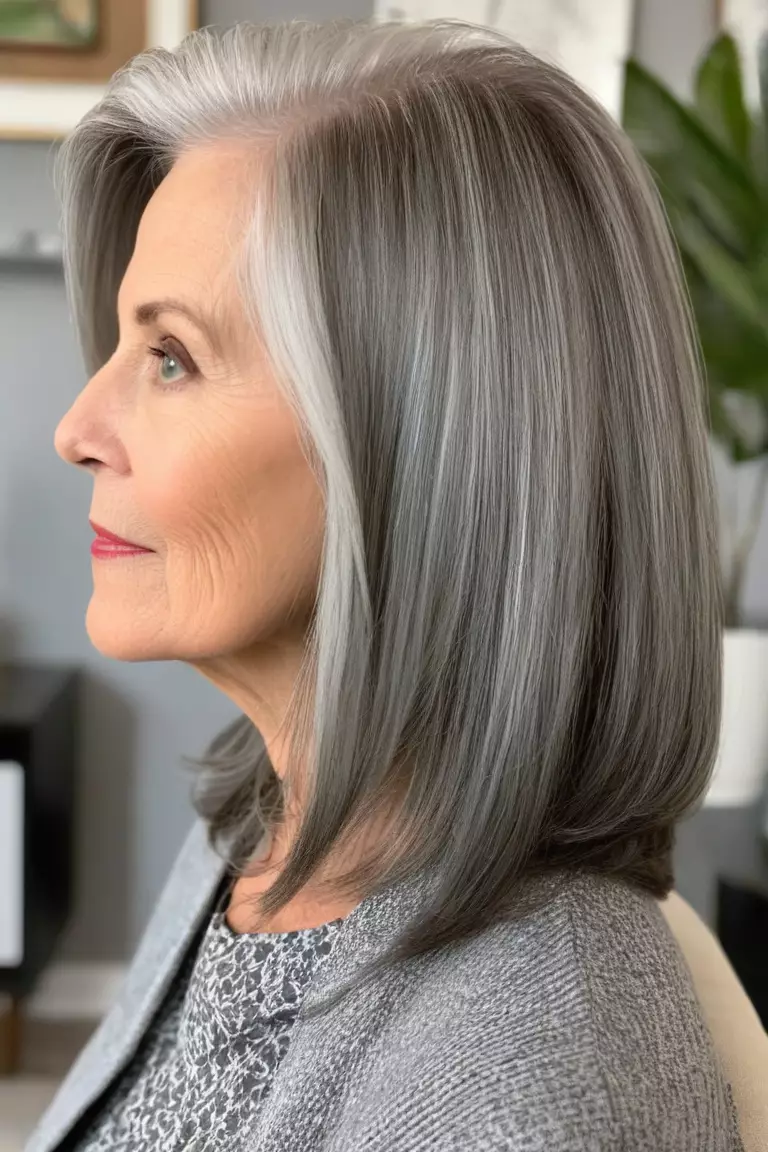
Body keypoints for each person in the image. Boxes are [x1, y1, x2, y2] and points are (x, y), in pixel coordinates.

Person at [27, 17, 743, 1152]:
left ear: (426, 449)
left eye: (171, 357)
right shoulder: (264, 830)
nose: (77, 428)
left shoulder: (530, 1083)